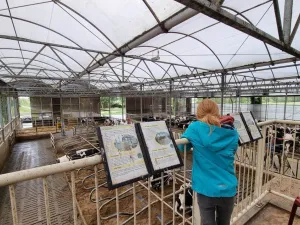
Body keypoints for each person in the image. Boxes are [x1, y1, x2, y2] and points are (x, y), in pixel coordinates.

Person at [178, 99, 239, 225]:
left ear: (198, 114)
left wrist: (189, 140)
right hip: (228, 188)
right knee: (224, 222)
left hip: (205, 188)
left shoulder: (195, 128)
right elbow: (232, 151)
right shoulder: (232, 131)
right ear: (217, 112)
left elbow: (182, 147)